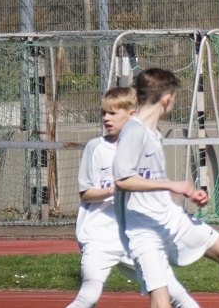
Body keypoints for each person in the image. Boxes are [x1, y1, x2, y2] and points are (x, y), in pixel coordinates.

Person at [113, 68, 219, 308]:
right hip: (144, 231)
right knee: (161, 301)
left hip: (171, 220)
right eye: (174, 98)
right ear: (166, 99)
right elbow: (122, 179)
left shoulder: (152, 132)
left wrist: (187, 192)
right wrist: (173, 185)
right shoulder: (134, 130)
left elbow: (147, 180)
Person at [68, 87, 198, 308]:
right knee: (88, 296)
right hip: (99, 237)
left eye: (113, 113)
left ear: (132, 115)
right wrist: (114, 190)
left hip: (136, 236)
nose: (106, 118)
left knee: (175, 293)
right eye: (104, 113)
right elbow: (86, 194)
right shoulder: (96, 147)